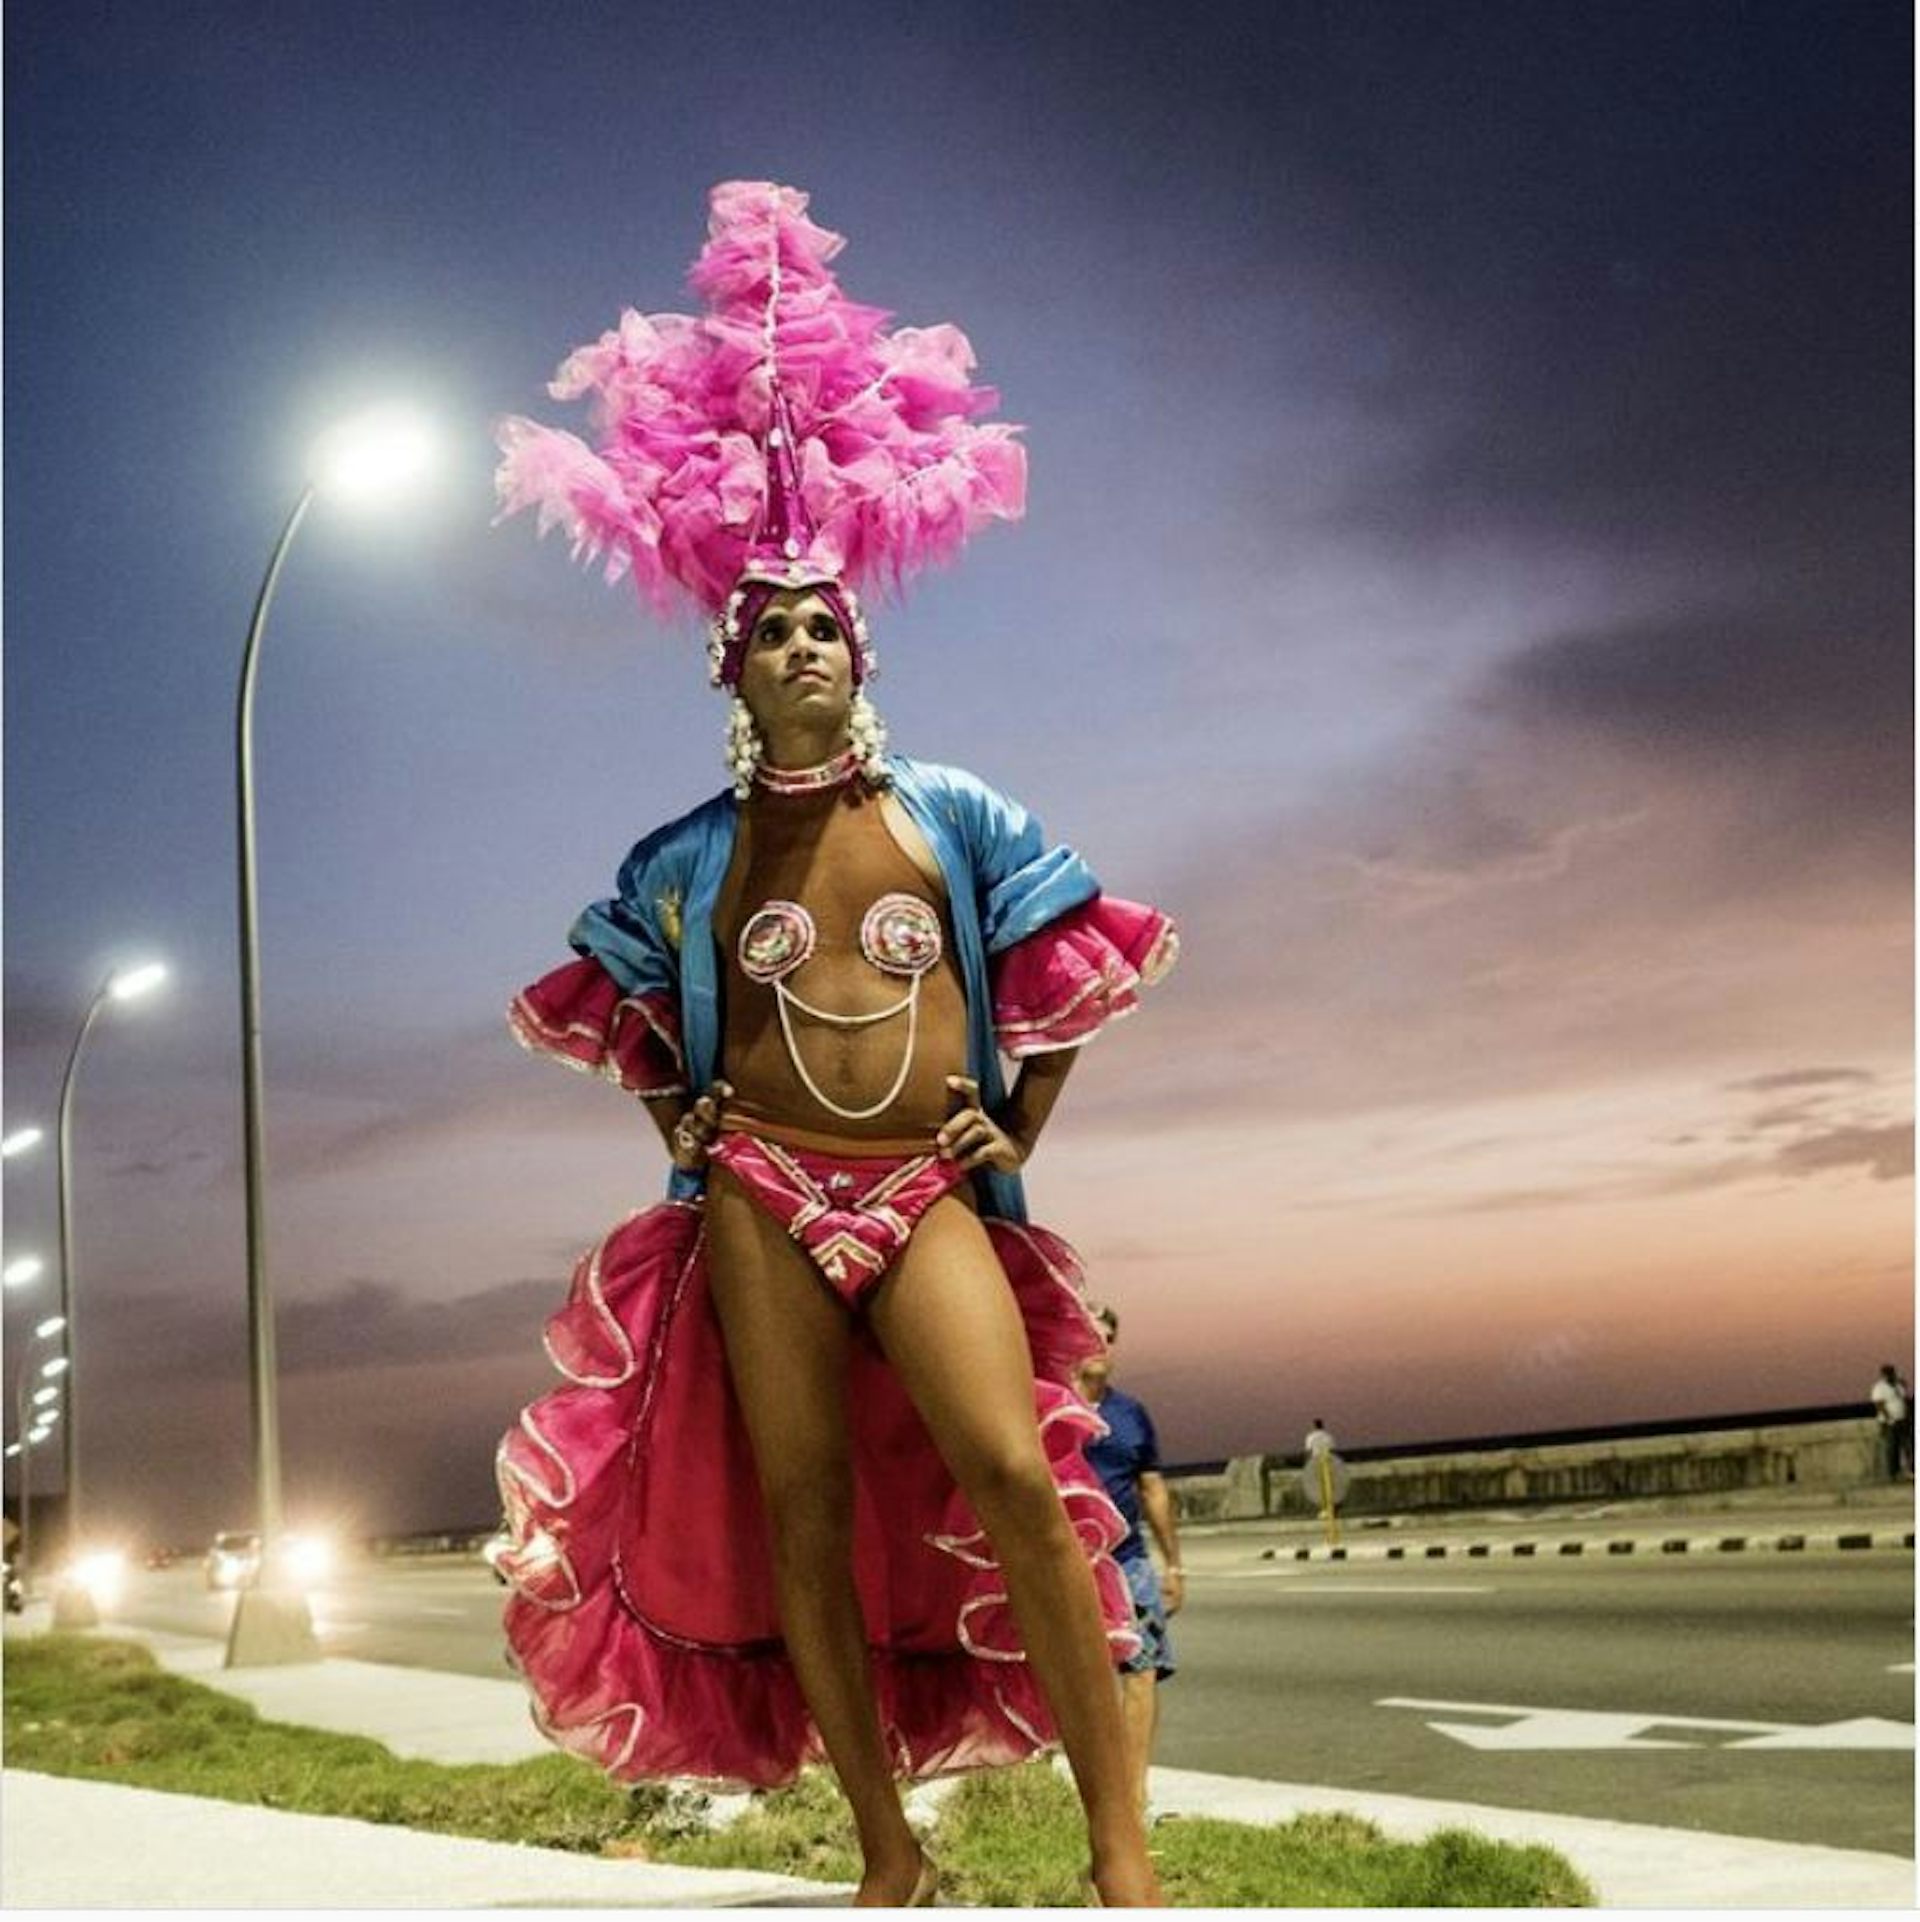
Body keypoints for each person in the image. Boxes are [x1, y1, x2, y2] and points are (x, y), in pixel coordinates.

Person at [490, 183, 1178, 1908]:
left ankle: (1123, 1861)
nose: (800, 638)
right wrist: (690, 1113)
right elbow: (623, 1013)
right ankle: (889, 1853)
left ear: (856, 653)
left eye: (824, 623)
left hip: (918, 1177)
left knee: (1018, 1471)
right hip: (757, 1194)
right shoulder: (681, 860)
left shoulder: (949, 811)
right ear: (731, 664)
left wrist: (1011, 1125)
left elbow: (1069, 960)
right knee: (799, 1508)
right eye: (770, 627)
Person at [1075, 1305, 1182, 1825]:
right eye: (1093, 1331)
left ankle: (1134, 1797)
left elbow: (1153, 1488)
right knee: (1077, 1682)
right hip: (1069, 1567)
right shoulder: (1046, 1405)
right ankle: (1095, 1796)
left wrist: (1174, 1566)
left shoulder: (1131, 1414)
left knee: (1142, 1673)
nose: (1102, 1343)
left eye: (1111, 1336)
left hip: (1130, 1562)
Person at [1870, 1365, 1912, 1480]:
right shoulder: (1879, 1388)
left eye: (1892, 1372)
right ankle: (1893, 1473)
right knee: (1892, 1447)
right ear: (1883, 1375)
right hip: (1889, 1422)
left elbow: (1904, 1400)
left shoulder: (1899, 1385)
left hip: (1902, 1419)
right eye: (1888, 1373)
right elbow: (1879, 1405)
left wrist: (1908, 1416)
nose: (1890, 1375)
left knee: (1906, 1445)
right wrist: (1889, 1419)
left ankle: (1908, 1469)